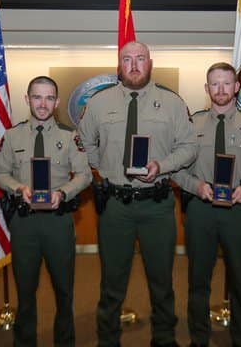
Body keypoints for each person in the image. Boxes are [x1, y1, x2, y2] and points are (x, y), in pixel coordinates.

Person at [78, 41, 196, 347]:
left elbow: (189, 147)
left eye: (140, 58)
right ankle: (108, 340)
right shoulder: (99, 103)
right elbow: (84, 144)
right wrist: (104, 169)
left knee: (161, 282)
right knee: (112, 283)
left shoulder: (172, 103)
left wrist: (163, 165)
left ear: (150, 63)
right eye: (127, 59)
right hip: (115, 206)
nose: (133, 65)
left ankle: (164, 338)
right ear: (119, 65)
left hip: (157, 206)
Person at [172, 62, 241, 347]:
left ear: (236, 87)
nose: (220, 89)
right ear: (207, 89)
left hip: (239, 208)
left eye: (226, 83)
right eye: (214, 84)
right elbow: (175, 169)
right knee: (198, 280)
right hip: (200, 209)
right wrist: (195, 186)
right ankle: (199, 339)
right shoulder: (190, 125)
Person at [0, 76, 92, 347]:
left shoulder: (70, 136)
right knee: (25, 293)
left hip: (57, 223)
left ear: (57, 102)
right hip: (24, 224)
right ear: (27, 99)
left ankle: (65, 342)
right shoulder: (12, 136)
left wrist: (63, 193)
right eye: (37, 97)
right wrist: (17, 188)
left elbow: (84, 175)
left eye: (49, 98)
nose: (43, 103)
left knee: (63, 291)